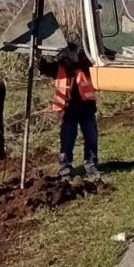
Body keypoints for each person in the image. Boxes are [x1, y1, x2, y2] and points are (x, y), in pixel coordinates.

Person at [40, 42, 98, 178]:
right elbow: (43, 67)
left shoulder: (84, 66)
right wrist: (40, 54)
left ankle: (91, 168)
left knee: (91, 140)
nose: (67, 60)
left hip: (86, 110)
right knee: (66, 143)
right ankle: (65, 169)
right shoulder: (58, 68)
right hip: (68, 112)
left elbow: (93, 65)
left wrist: (79, 58)